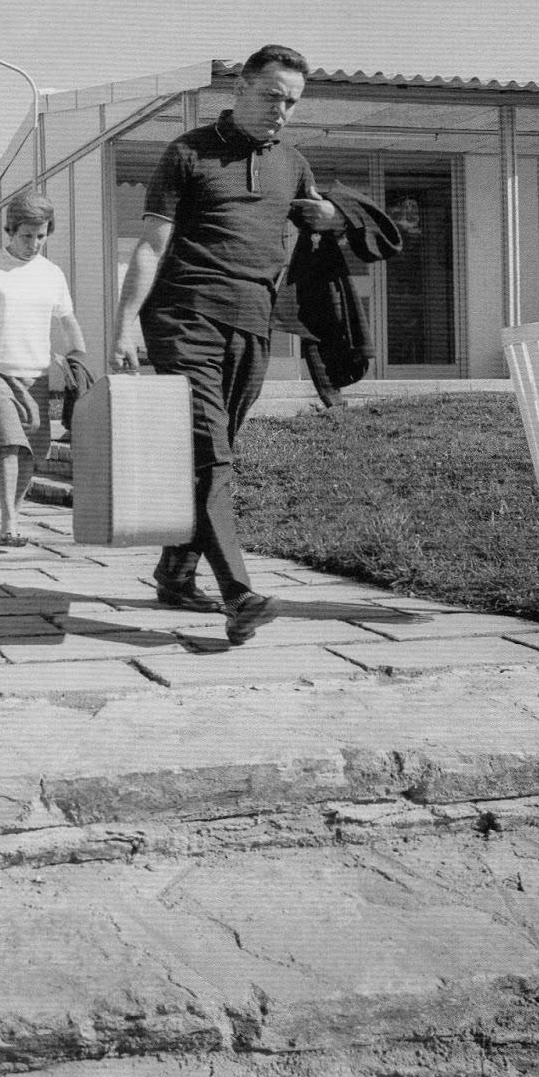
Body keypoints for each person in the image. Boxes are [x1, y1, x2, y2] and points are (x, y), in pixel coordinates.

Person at [110, 43, 343, 645]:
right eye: (271, 96)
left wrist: (335, 217)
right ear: (239, 88)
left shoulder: (292, 161)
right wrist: (125, 322)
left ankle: (175, 570)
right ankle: (239, 594)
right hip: (184, 317)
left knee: (212, 452)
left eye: (291, 102)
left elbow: (317, 218)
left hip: (253, 322)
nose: (281, 111)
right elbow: (151, 245)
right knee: (212, 453)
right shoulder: (186, 153)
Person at [0, 189, 88, 548]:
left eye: (41, 236)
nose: (34, 243)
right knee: (10, 444)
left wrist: (78, 357)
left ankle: (13, 508)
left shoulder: (52, 274)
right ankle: (9, 522)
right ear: (11, 231)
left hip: (35, 374)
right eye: (26, 235)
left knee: (35, 447)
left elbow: (67, 320)